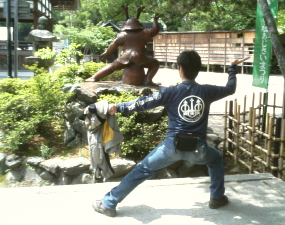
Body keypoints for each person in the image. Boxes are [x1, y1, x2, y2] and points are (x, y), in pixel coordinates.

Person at [92, 50, 249, 217]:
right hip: (199, 149)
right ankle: (217, 197)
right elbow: (230, 88)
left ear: (180, 68)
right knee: (215, 158)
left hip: (170, 148)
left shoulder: (170, 92)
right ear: (198, 69)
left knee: (142, 170)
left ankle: (109, 203)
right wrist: (232, 68)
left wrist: (118, 107)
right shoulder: (208, 91)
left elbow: (143, 103)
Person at [85, 7, 161, 86]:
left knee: (112, 67)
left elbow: (113, 45)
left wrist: (107, 53)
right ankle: (148, 80)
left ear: (126, 26)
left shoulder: (122, 35)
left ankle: (94, 77)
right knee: (155, 64)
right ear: (139, 25)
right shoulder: (145, 33)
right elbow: (155, 30)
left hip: (125, 57)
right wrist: (155, 20)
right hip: (140, 57)